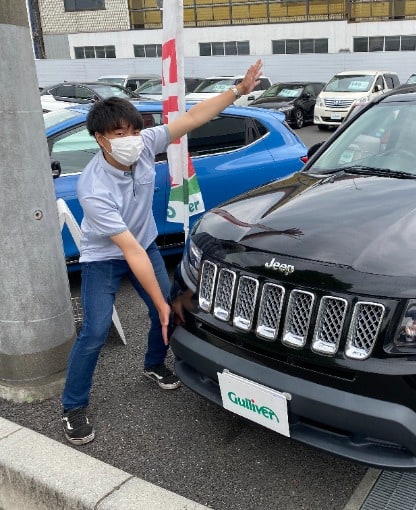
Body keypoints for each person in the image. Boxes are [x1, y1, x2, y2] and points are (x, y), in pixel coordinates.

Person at [61, 60, 264, 446]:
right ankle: (72, 406)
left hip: (146, 244)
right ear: (100, 138)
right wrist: (161, 301)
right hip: (104, 257)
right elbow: (129, 251)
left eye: (135, 130)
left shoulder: (144, 146)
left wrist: (238, 90)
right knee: (95, 331)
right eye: (121, 132)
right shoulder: (92, 187)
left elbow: (192, 118)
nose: (132, 138)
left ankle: (154, 365)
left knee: (164, 309)